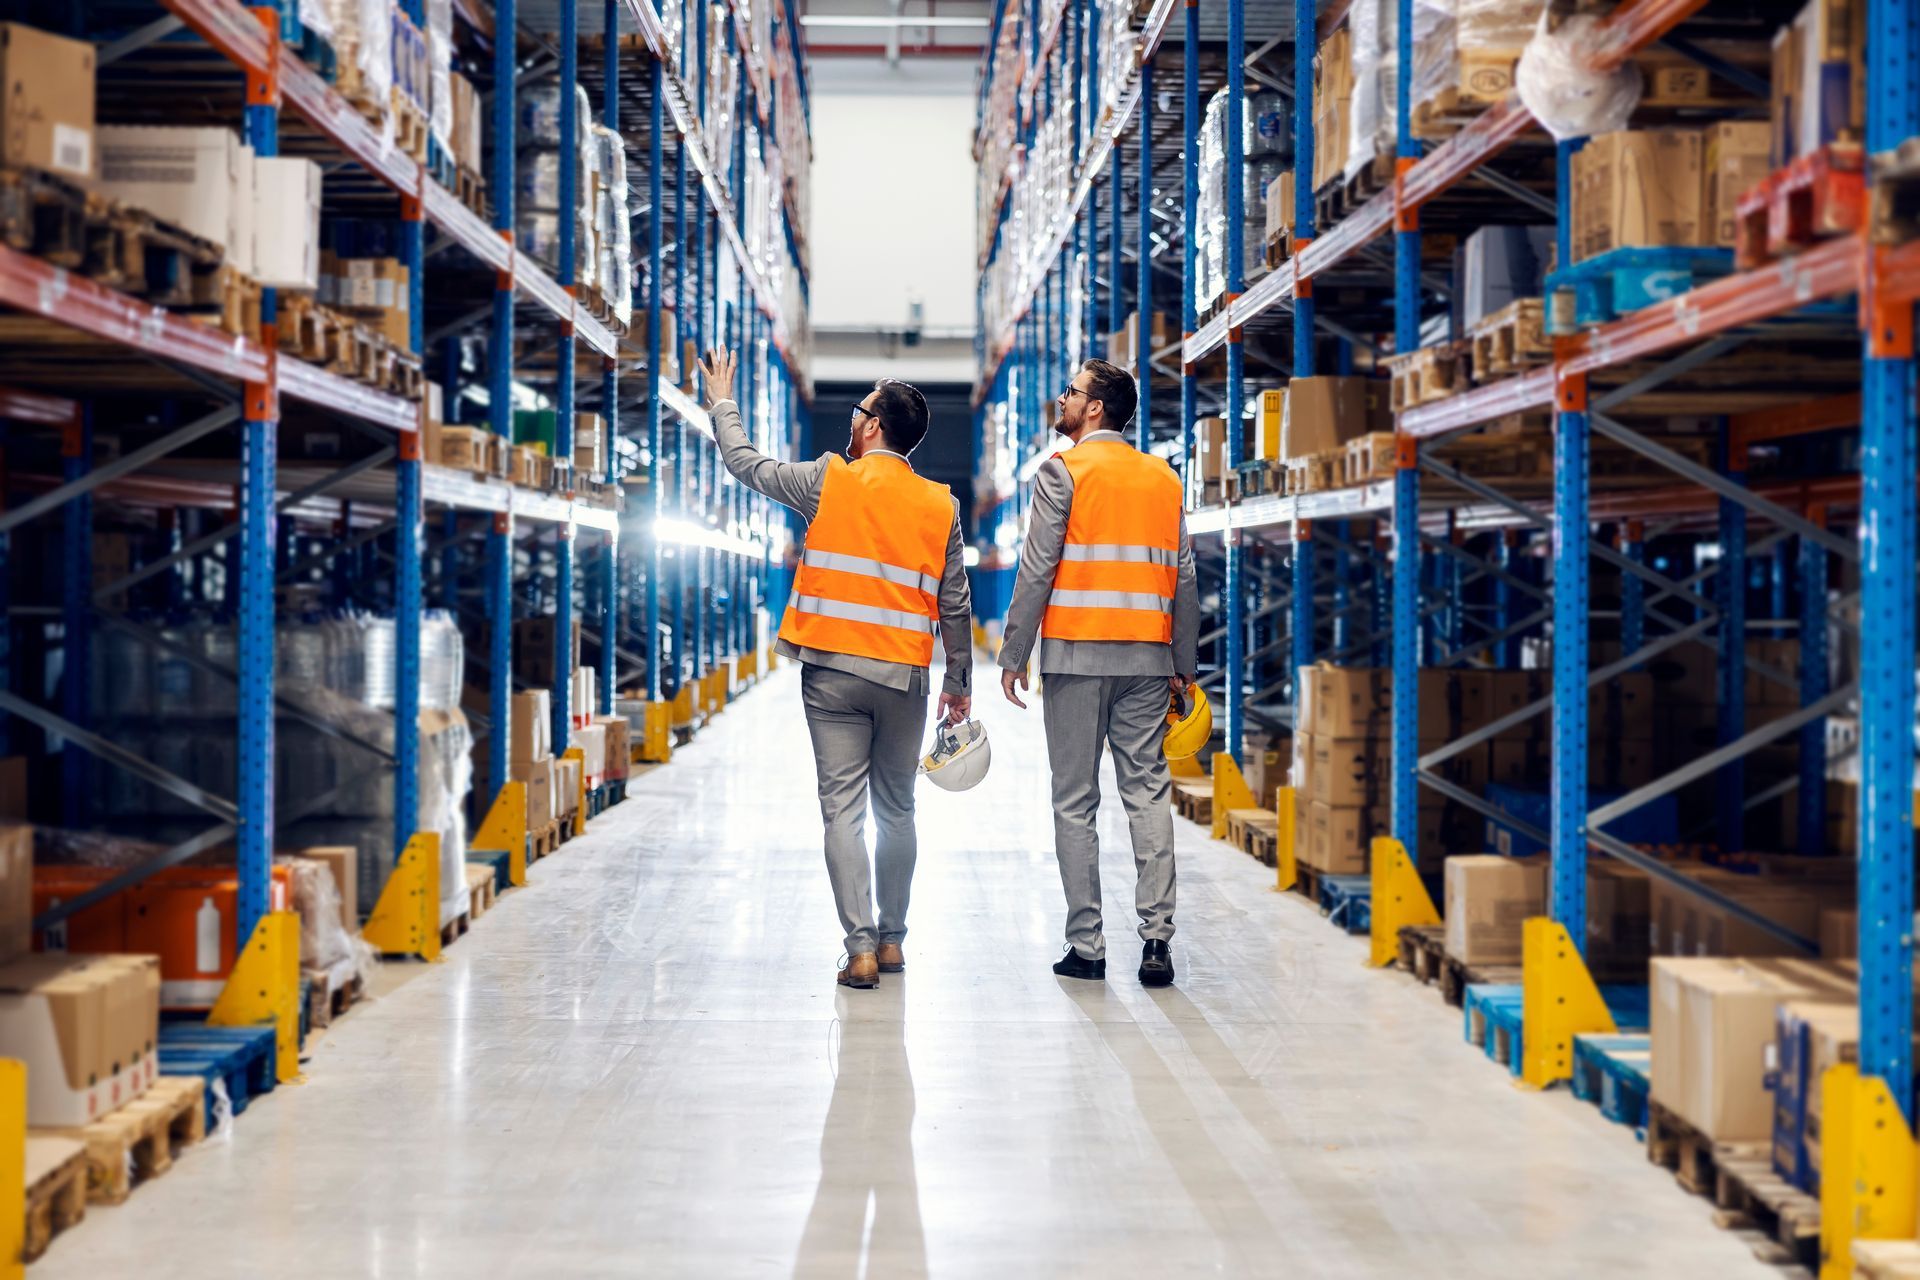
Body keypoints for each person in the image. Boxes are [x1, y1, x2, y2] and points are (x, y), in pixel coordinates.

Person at [699, 349, 972, 990]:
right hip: (903, 678)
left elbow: (745, 464)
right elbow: (954, 603)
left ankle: (860, 950)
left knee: (843, 812)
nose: (852, 420)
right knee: (898, 810)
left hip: (830, 676)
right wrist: (959, 683)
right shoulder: (941, 505)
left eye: (859, 411)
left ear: (872, 426)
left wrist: (722, 402)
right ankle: (895, 940)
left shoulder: (829, 479)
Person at [998, 358, 1199, 987]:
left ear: (1096, 409)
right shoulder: (1162, 479)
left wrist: (1013, 653)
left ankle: (1087, 946)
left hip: (1078, 658)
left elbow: (1037, 570)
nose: (1062, 399)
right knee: (1147, 793)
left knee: (1075, 800)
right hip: (1146, 659)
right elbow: (1185, 580)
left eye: (1072, 392)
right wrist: (1183, 666)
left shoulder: (1063, 471)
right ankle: (1157, 942)